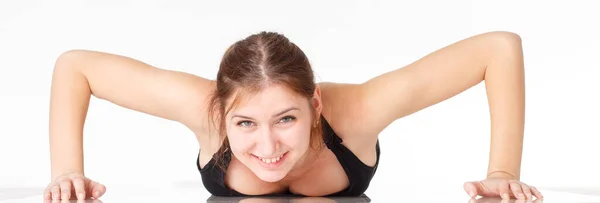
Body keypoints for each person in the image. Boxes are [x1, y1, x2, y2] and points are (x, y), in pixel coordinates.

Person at [44, 31, 544, 201]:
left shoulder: (360, 111)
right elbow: (77, 68)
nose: (268, 147)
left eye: (286, 119)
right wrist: (68, 169)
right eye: (245, 124)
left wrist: (502, 171)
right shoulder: (206, 111)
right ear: (223, 113)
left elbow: (498, 48)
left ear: (316, 105)